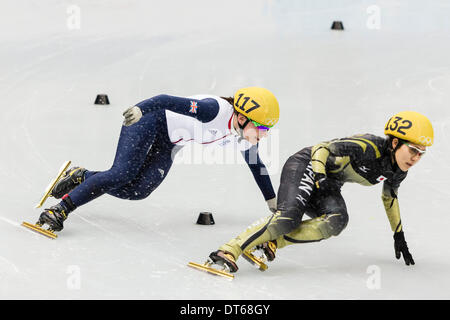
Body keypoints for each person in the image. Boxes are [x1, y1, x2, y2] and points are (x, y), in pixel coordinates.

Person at [205, 111, 434, 273]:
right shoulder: (368, 146)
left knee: (337, 221)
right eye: (413, 150)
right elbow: (321, 148)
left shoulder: (398, 171)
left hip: (328, 183)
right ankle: (228, 250)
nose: (416, 157)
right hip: (306, 165)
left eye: (421, 153)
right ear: (395, 143)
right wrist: (320, 175)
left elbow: (389, 198)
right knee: (287, 217)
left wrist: (398, 234)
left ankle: (272, 243)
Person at [36, 87, 280, 232]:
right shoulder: (213, 110)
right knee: (121, 174)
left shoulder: (241, 135)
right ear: (242, 117)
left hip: (170, 141)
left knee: (139, 191)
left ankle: (82, 176)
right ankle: (61, 210)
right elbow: (167, 100)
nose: (263, 135)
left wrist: (273, 203)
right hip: (150, 119)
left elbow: (256, 165)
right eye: (261, 129)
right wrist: (141, 109)